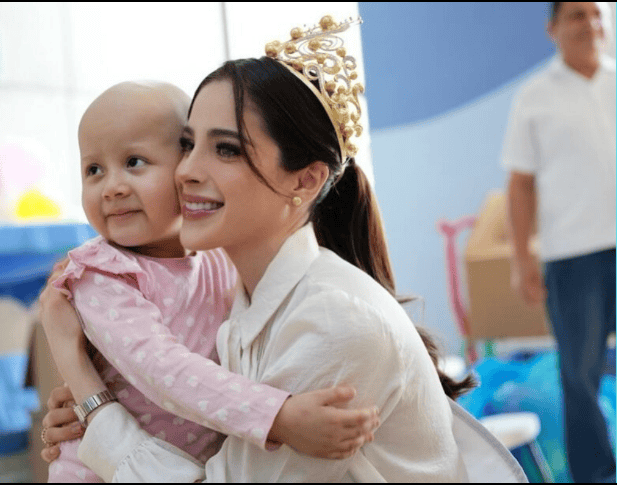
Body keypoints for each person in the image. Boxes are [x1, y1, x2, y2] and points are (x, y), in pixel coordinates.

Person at [41, 15, 527, 482]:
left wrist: (91, 395)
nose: (187, 170)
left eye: (226, 148)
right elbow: (164, 375)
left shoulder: (333, 324)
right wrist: (96, 408)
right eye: (189, 145)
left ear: (306, 179)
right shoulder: (240, 291)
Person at [39, 80, 380, 482]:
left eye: (134, 162)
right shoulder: (103, 273)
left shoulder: (219, 257)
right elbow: (162, 369)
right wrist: (278, 416)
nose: (111, 187)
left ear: (184, 168)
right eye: (93, 170)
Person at [502, 2, 616, 482]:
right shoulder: (534, 96)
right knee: (580, 378)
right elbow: (520, 184)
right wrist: (523, 260)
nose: (589, 24)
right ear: (552, 29)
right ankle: (597, 475)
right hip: (572, 258)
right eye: (576, 15)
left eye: (596, 13)